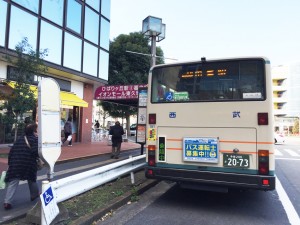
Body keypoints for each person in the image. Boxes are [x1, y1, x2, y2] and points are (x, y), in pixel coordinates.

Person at [3, 123, 40, 210]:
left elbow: (11, 152)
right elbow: (35, 152)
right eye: (36, 130)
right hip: (28, 164)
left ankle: (7, 202)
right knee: (32, 179)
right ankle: (34, 195)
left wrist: (10, 163)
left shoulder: (19, 139)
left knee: (13, 181)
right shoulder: (35, 140)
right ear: (34, 131)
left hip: (15, 164)